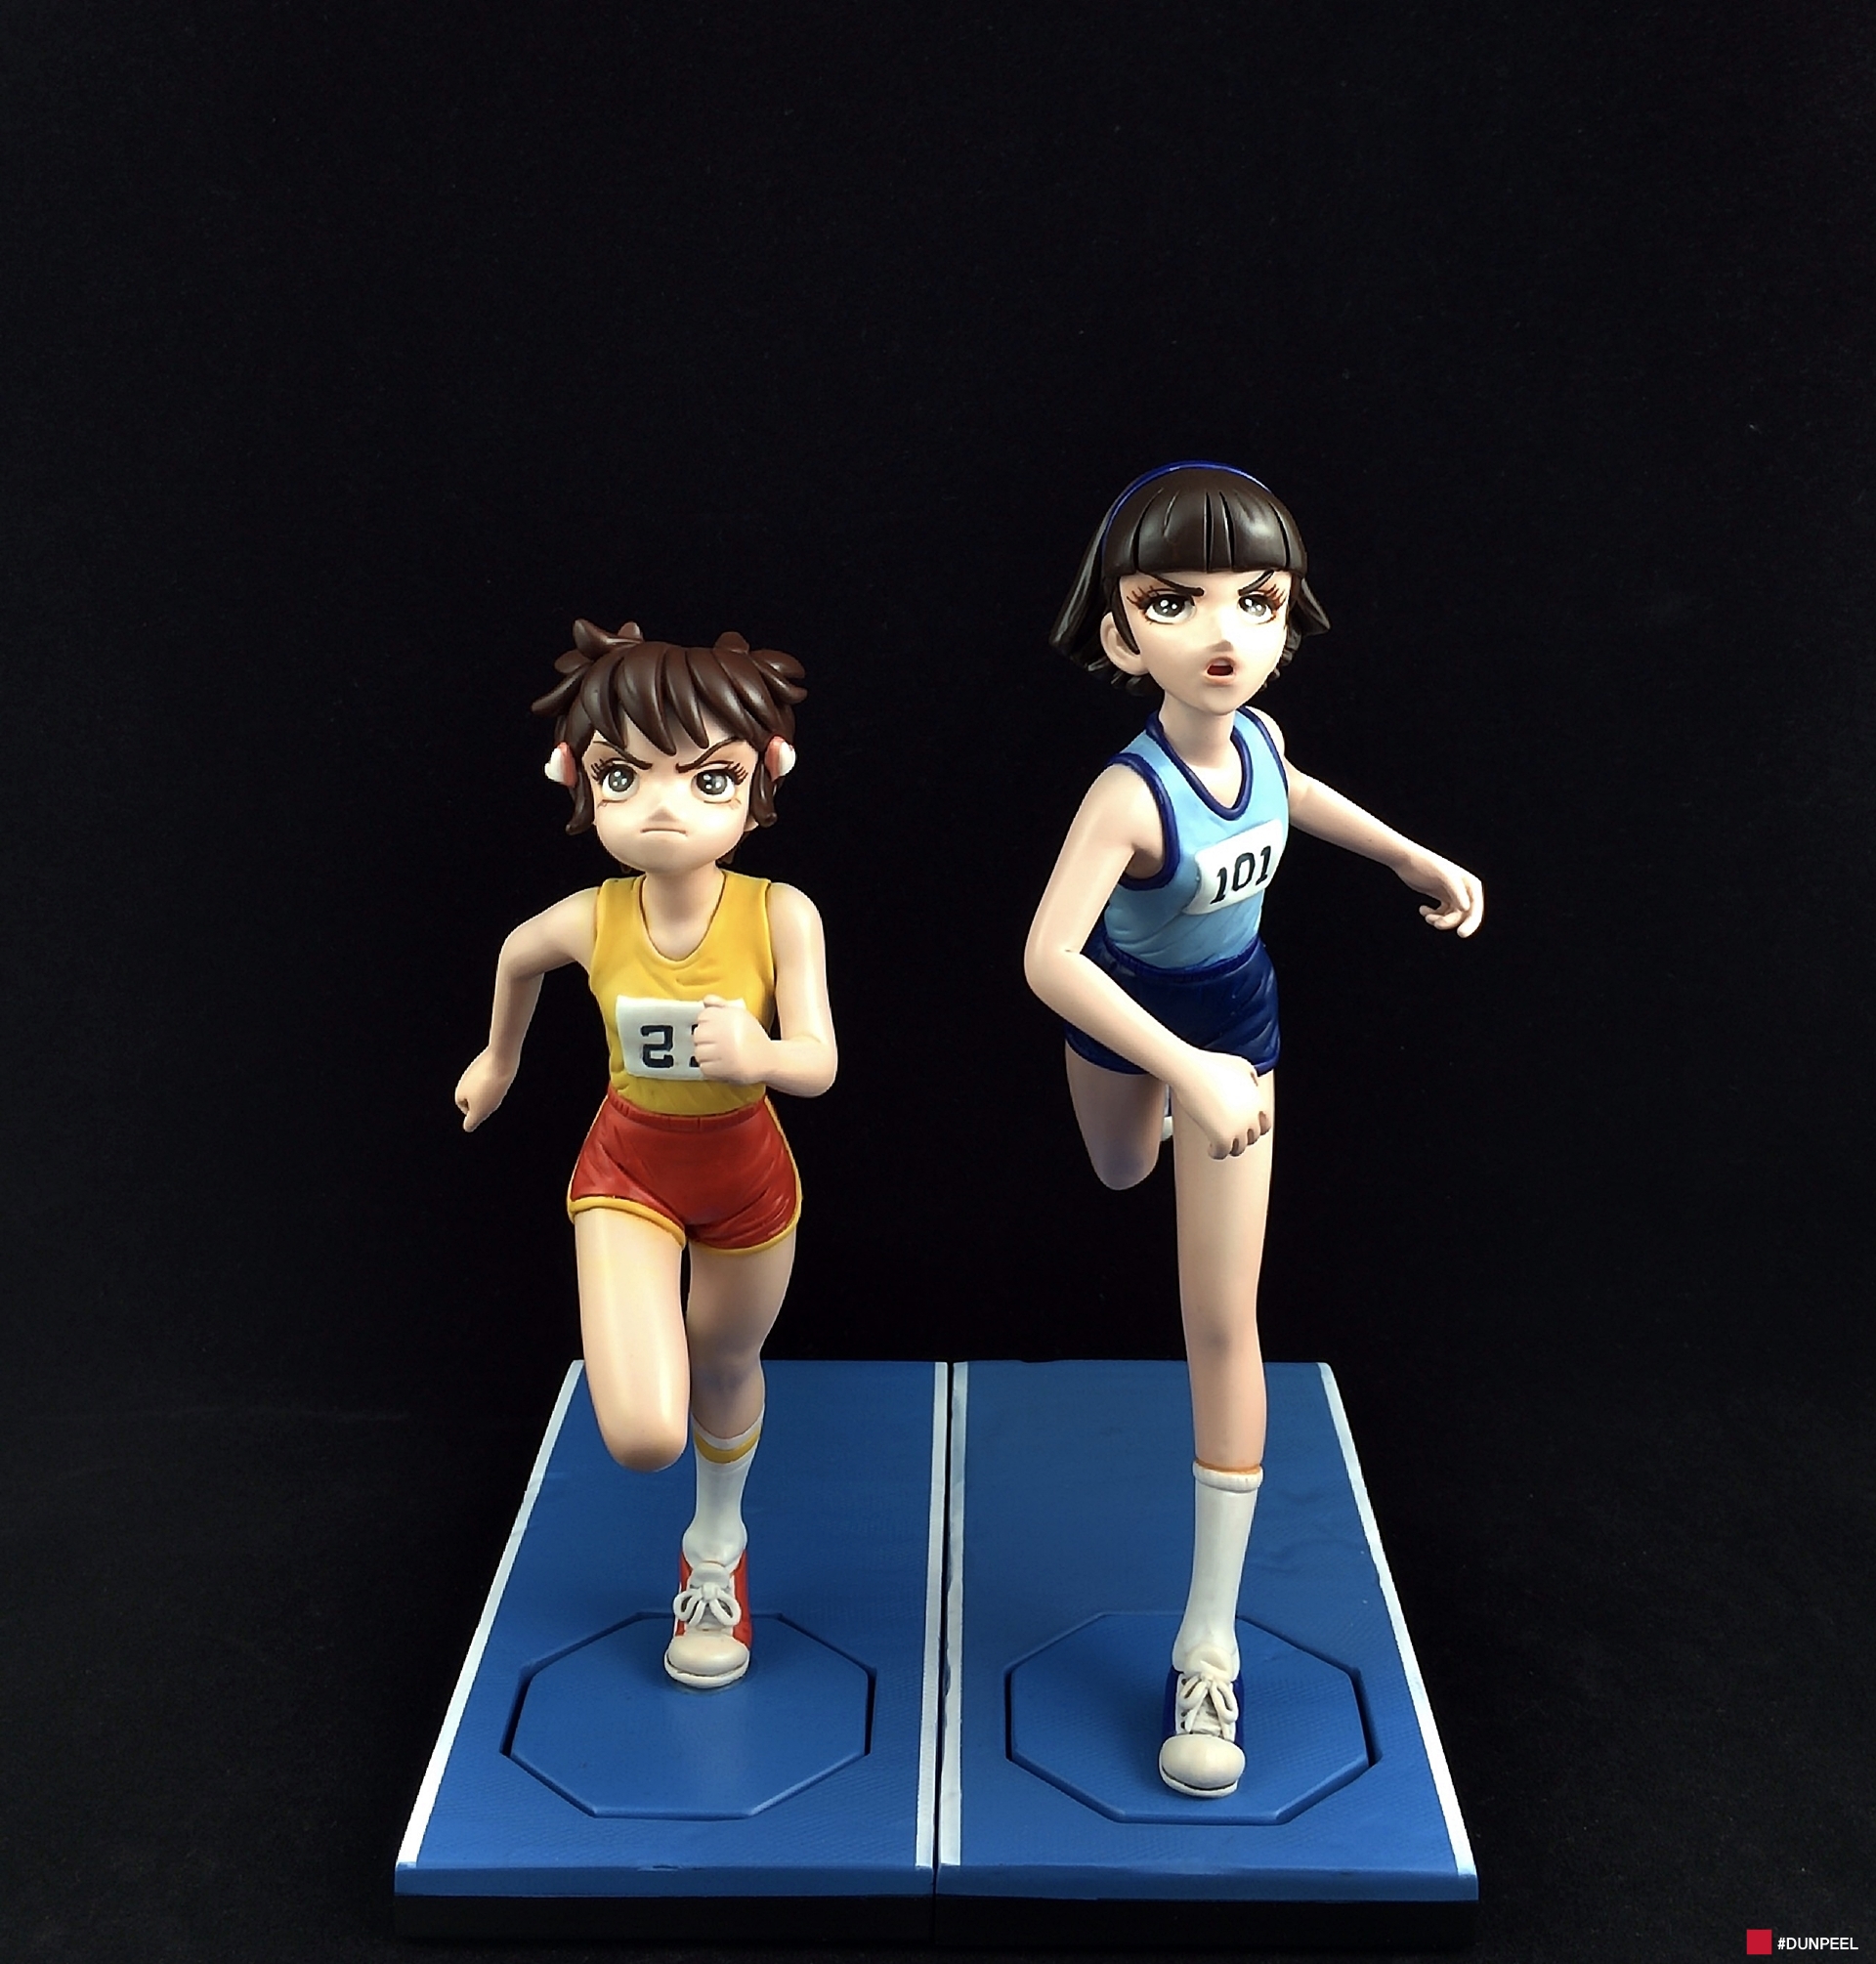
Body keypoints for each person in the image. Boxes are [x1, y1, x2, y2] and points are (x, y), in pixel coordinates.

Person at [1023, 465, 1483, 1798]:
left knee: (1223, 1316)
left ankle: (1207, 1641)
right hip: (1128, 1024)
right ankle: (1165, 1117)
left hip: (1238, 1026)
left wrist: (1408, 854)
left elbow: (1298, 794)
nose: (1224, 631)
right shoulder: (1128, 795)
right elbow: (1049, 957)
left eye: (1258, 600)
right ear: (1122, 634)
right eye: (1177, 602)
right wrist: (1177, 1071)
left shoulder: (1264, 740)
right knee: (1120, 1166)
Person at [455, 619, 837, 1691]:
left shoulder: (780, 914)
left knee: (724, 1365)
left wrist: (761, 1053)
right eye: (624, 775)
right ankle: (689, 1488)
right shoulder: (592, 917)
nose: (664, 805)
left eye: (707, 778)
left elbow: (820, 1062)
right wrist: (498, 1060)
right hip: (629, 1170)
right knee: (640, 1434)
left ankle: (716, 1547)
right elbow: (516, 956)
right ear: (575, 776)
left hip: (748, 1178)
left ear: (764, 777)